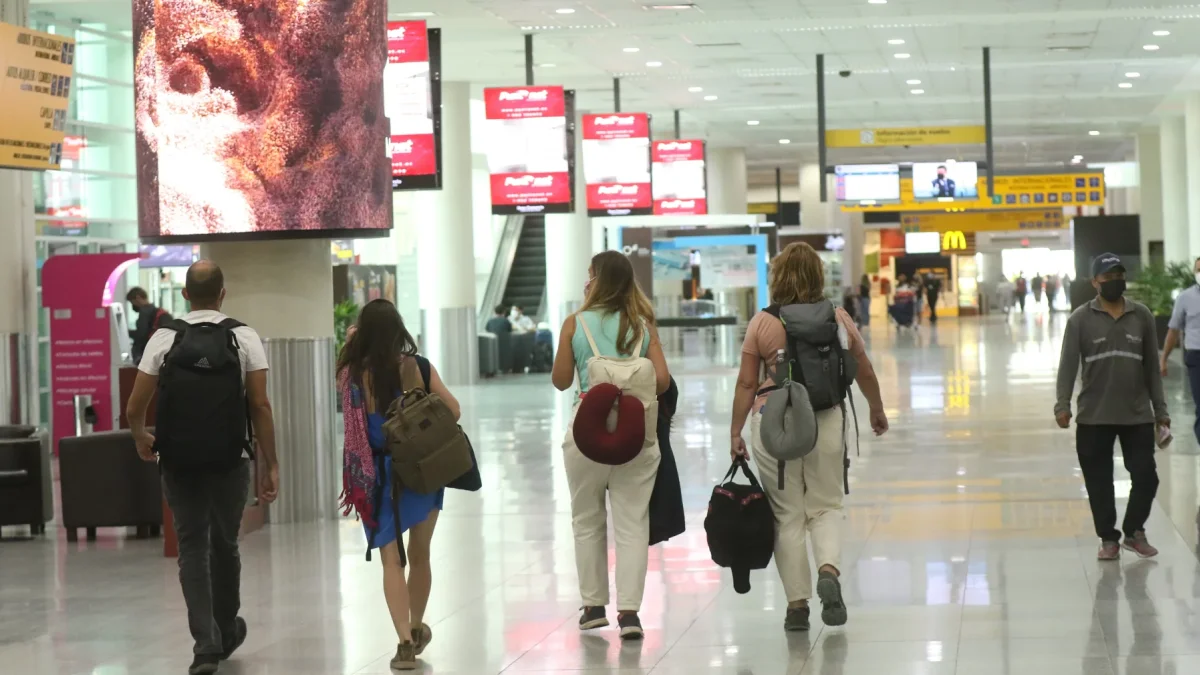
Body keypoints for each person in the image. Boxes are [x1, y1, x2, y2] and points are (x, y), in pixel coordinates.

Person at [125, 261, 279, 675]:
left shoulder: (164, 337)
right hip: (231, 459)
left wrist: (141, 437)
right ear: (223, 294)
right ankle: (227, 629)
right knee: (225, 543)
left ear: (186, 295)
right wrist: (271, 464)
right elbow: (260, 405)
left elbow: (135, 406)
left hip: (179, 460)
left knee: (191, 547)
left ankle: (205, 646)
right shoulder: (243, 336)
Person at [730, 242, 888, 632]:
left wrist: (735, 431)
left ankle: (797, 606)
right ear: (818, 276)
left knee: (787, 515)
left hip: (773, 422)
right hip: (826, 418)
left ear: (777, 277)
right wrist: (877, 408)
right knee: (826, 504)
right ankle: (828, 570)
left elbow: (747, 382)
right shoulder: (837, 318)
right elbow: (862, 368)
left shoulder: (762, 323)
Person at [551, 250, 670, 641]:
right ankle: (631, 614)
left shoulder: (575, 323)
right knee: (633, 522)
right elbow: (663, 382)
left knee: (586, 519)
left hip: (586, 433)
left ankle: (592, 607)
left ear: (596, 280)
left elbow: (561, 380)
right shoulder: (642, 325)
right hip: (636, 434)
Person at [337, 299, 459, 670]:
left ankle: (404, 643)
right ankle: (418, 627)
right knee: (420, 554)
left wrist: (351, 341)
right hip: (422, 469)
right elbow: (453, 410)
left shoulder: (354, 374)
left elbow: (341, 368)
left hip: (378, 477)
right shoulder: (419, 367)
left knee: (392, 561)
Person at [1055, 253, 1169, 561]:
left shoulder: (1141, 315)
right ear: (1095, 283)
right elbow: (1067, 365)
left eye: (1119, 275)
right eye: (1108, 278)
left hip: (1137, 415)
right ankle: (1109, 538)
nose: (1115, 281)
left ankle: (1134, 531)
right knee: (1099, 481)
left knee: (1146, 475)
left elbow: (1151, 370)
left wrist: (1161, 411)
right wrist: (1062, 405)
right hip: (1094, 416)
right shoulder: (1080, 318)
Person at [1161, 257, 1200, 443]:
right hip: (1196, 356)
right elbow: (1173, 330)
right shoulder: (1185, 297)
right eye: (1198, 270)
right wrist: (1164, 359)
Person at [127, 286, 173, 365]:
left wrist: (126, 332)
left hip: (147, 357)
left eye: (132, 302)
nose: (132, 306)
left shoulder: (145, 312)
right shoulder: (155, 310)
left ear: (138, 298)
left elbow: (141, 335)